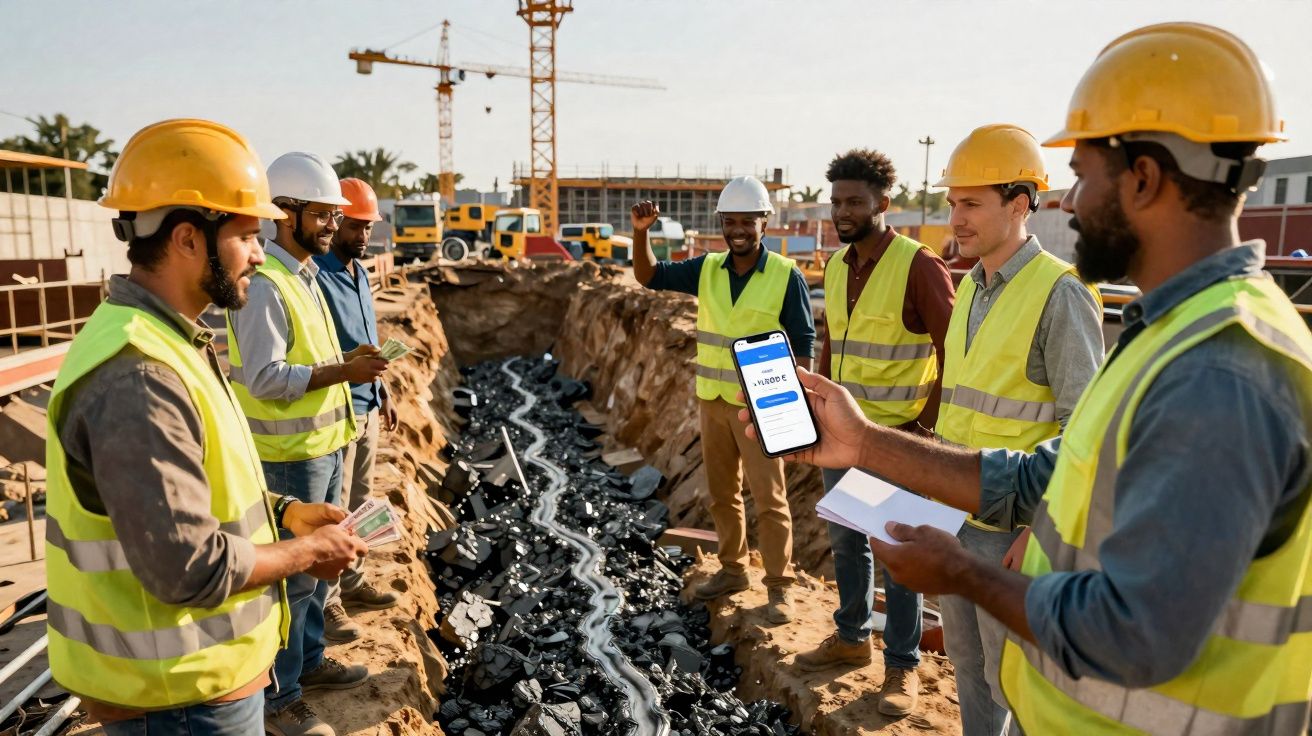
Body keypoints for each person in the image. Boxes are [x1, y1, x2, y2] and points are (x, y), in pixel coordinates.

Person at [742, 22, 1312, 735]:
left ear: (1143, 178)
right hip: (1021, 621)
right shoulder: (1169, 332)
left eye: (1084, 175)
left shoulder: (1223, 368)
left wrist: (965, 572)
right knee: (977, 679)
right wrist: (863, 443)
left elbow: (1139, 633)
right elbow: (1049, 472)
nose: (1067, 201)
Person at [43, 118, 367, 735]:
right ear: (188, 238)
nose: (258, 253)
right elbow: (188, 566)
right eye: (246, 235)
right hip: (179, 699)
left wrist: (284, 511)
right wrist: (306, 552)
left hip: (195, 686)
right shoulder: (139, 375)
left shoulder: (168, 342)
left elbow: (199, 494)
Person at [933, 124, 1103, 735]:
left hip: (1014, 537)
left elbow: (1086, 431)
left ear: (1020, 203)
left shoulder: (1061, 294)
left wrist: (1041, 531)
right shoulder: (970, 288)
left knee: (1019, 683)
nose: (956, 218)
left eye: (971, 203)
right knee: (968, 666)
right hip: (957, 521)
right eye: (953, 202)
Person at [226, 152, 389, 736]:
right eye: (321, 214)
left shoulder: (304, 275)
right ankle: (280, 697)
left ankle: (311, 662)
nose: (331, 225)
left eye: (333, 216)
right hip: (288, 460)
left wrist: (346, 359)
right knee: (292, 582)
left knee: (319, 572)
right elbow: (267, 378)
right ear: (284, 213)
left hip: (323, 447)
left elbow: (307, 358)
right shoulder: (267, 286)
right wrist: (343, 372)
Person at [794, 149, 955, 718]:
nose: (842, 212)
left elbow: (954, 354)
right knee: (847, 542)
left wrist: (925, 431)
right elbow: (833, 345)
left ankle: (903, 665)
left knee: (899, 556)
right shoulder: (837, 266)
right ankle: (852, 637)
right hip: (844, 439)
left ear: (883, 203)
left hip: (899, 440)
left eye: (855, 202)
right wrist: (819, 409)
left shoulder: (919, 265)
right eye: (836, 202)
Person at [631, 176, 814, 624]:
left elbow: (803, 342)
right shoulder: (708, 268)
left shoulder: (785, 276)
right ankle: (734, 569)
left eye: (747, 221)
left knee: (770, 499)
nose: (738, 230)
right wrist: (640, 234)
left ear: (764, 222)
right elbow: (650, 276)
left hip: (761, 406)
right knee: (722, 493)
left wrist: (796, 404)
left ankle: (779, 585)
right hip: (712, 400)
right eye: (730, 221)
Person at [314, 178, 401, 643]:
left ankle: (352, 581)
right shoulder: (317, 278)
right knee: (335, 512)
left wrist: (383, 391)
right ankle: (328, 605)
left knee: (361, 504)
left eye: (368, 227)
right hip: (337, 407)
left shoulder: (360, 274)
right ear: (335, 221)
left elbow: (368, 338)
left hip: (367, 402)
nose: (363, 235)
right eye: (356, 226)